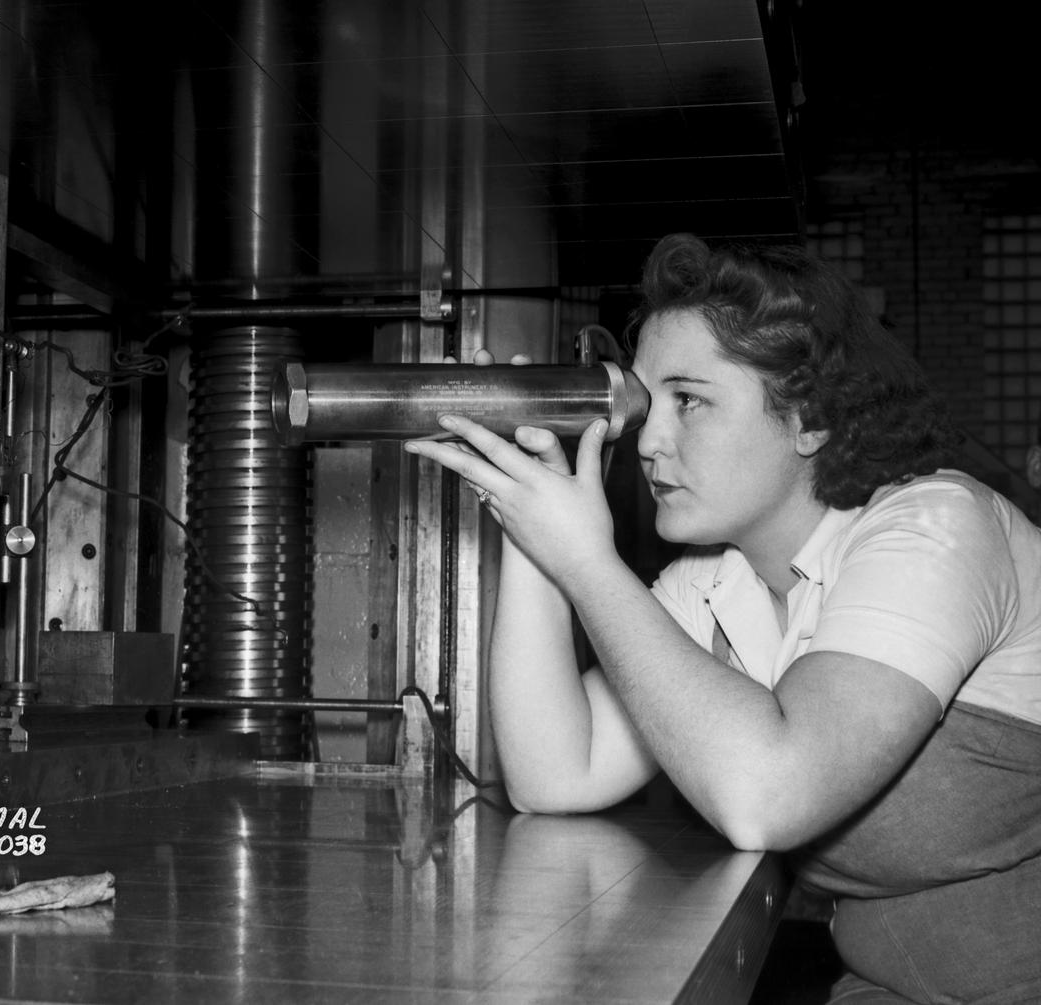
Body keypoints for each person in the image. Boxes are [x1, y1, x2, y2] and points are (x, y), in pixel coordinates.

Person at [404, 233, 1041, 1004]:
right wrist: (535, 529)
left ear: (809, 418)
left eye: (690, 400)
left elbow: (769, 793)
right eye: (645, 403)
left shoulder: (937, 527)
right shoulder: (710, 584)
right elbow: (555, 773)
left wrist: (588, 565)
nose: (649, 441)